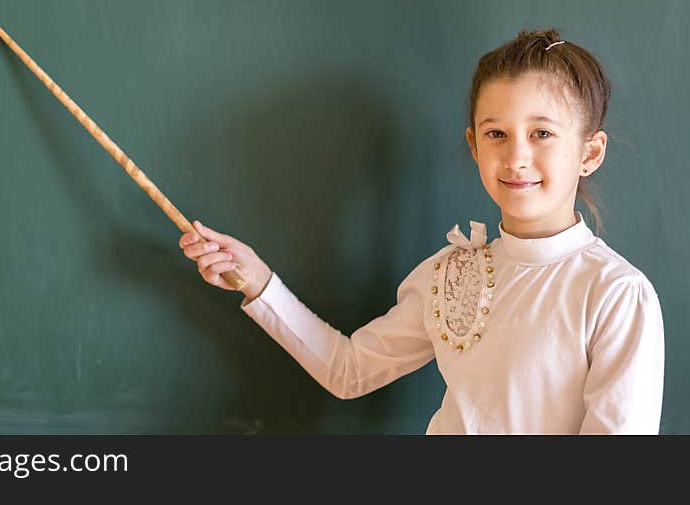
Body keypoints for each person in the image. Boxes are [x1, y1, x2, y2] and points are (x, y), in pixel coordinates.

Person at [178, 28, 665, 434]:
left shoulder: (615, 294)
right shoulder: (451, 274)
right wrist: (257, 280)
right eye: (496, 133)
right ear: (474, 145)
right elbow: (348, 371)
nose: (517, 157)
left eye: (542, 133)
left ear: (589, 153)